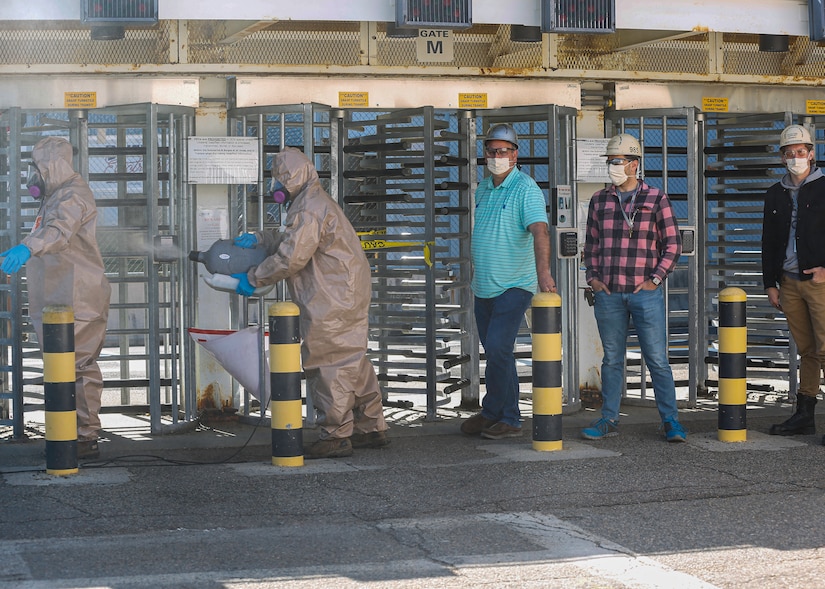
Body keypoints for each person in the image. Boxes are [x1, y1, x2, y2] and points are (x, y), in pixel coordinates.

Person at [233, 147, 389, 459]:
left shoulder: (307, 208)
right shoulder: (312, 201)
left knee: (327, 361)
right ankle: (370, 426)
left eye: (279, 180)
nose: (276, 187)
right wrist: (261, 239)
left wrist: (255, 277)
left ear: (289, 179)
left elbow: (291, 257)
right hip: (345, 291)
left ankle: (336, 434)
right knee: (352, 359)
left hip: (330, 296)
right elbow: (293, 239)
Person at [1, 136, 111, 459]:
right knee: (64, 367)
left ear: (51, 165)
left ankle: (86, 437)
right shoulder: (55, 196)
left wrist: (28, 247)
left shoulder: (73, 195)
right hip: (62, 296)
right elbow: (46, 231)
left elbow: (59, 232)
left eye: (36, 168)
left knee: (79, 366)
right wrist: (24, 245)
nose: (32, 177)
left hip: (81, 296)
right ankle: (68, 433)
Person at [582, 133, 685, 442]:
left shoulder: (656, 198)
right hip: (609, 294)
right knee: (612, 359)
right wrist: (594, 279)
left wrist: (655, 280)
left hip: (646, 294)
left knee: (656, 359)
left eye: (618, 161)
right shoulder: (600, 200)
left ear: (634, 164)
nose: (612, 167)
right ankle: (608, 419)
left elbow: (673, 244)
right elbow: (591, 245)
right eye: (610, 161)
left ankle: (671, 421)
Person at [461, 123, 556, 440]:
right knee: (494, 351)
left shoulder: (526, 188)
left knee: (500, 349)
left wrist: (544, 274)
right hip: (484, 286)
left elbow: (540, 231)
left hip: (515, 284)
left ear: (515, 155)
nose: (496, 156)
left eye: (503, 151)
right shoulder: (484, 187)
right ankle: (492, 412)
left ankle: (511, 418)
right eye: (491, 151)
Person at [762, 124, 825, 440]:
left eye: (801, 152)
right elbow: (769, 241)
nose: (796, 157)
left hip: (819, 281)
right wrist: (770, 283)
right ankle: (805, 415)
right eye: (789, 153)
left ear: (812, 154)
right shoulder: (776, 193)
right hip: (788, 282)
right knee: (808, 349)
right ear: (782, 158)